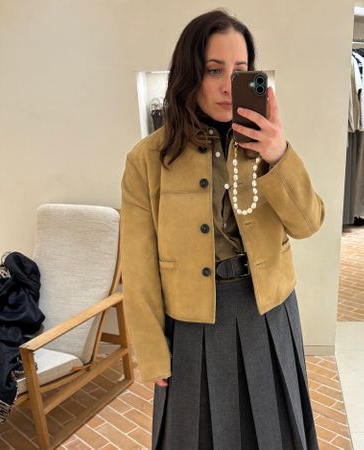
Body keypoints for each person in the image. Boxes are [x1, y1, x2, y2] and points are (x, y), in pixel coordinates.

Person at [120, 8, 325, 450]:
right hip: (192, 323)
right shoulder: (147, 159)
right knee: (196, 437)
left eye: (240, 71)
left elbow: (309, 222)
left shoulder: (267, 144)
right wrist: (152, 351)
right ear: (190, 73)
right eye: (214, 70)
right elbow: (138, 268)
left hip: (268, 309)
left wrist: (279, 153)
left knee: (274, 434)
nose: (226, 84)